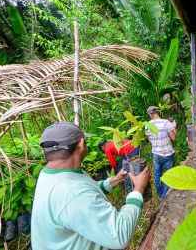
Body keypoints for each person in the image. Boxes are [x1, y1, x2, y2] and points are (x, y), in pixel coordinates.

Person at [31, 122, 151, 250]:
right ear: (81, 144)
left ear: (44, 152)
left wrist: (115, 179)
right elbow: (119, 235)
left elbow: (86, 188)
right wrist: (138, 189)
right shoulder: (72, 193)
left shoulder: (51, 174)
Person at [145, 106, 176, 198]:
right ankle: (164, 195)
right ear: (157, 112)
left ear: (150, 114)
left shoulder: (147, 125)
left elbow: (150, 141)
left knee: (158, 174)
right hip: (167, 154)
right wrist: (174, 127)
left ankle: (159, 194)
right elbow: (173, 138)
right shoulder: (165, 122)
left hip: (156, 154)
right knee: (169, 175)